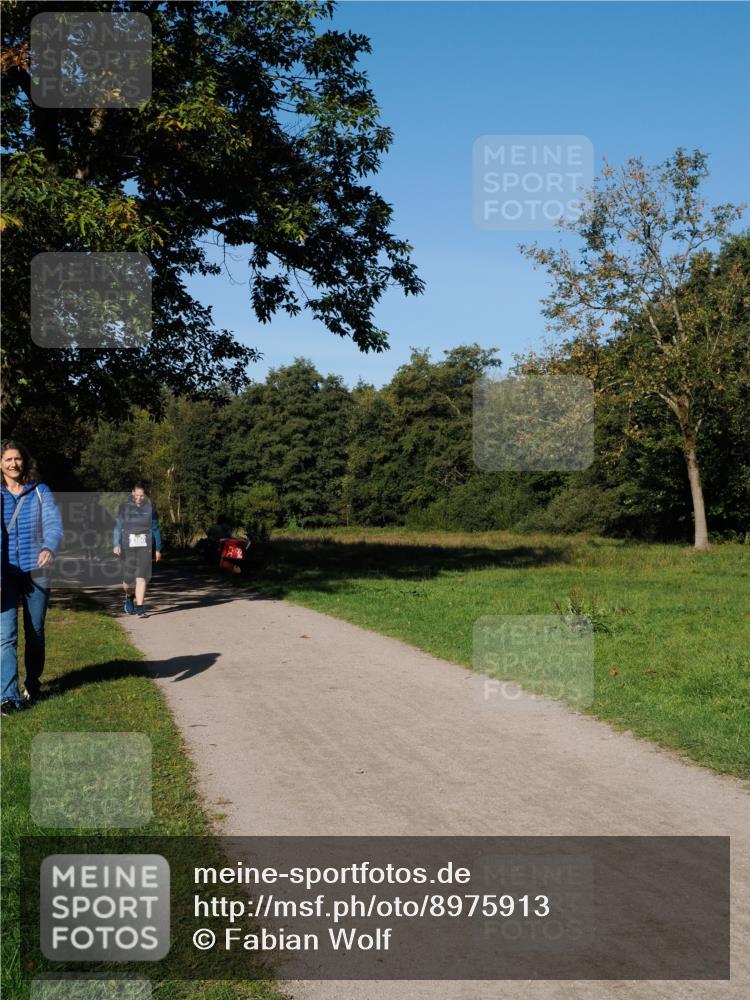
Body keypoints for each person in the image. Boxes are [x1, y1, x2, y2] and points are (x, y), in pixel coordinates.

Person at [1, 439, 64, 715]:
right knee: (6, 635)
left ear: (24, 461)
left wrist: (49, 546)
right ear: (0, 464)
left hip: (36, 571)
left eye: (17, 459)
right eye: (7, 460)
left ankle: (33, 683)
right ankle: (8, 696)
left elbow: (53, 522)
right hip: (4, 574)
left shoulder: (40, 492)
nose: (13, 464)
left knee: (35, 631)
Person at [113, 485, 162, 619]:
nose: (140, 498)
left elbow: (156, 529)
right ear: (132, 493)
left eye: (142, 495)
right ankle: (129, 596)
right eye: (137, 495)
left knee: (141, 576)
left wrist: (158, 549)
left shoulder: (150, 509)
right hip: (128, 544)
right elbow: (118, 527)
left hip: (145, 545)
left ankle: (140, 608)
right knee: (128, 578)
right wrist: (116, 543)